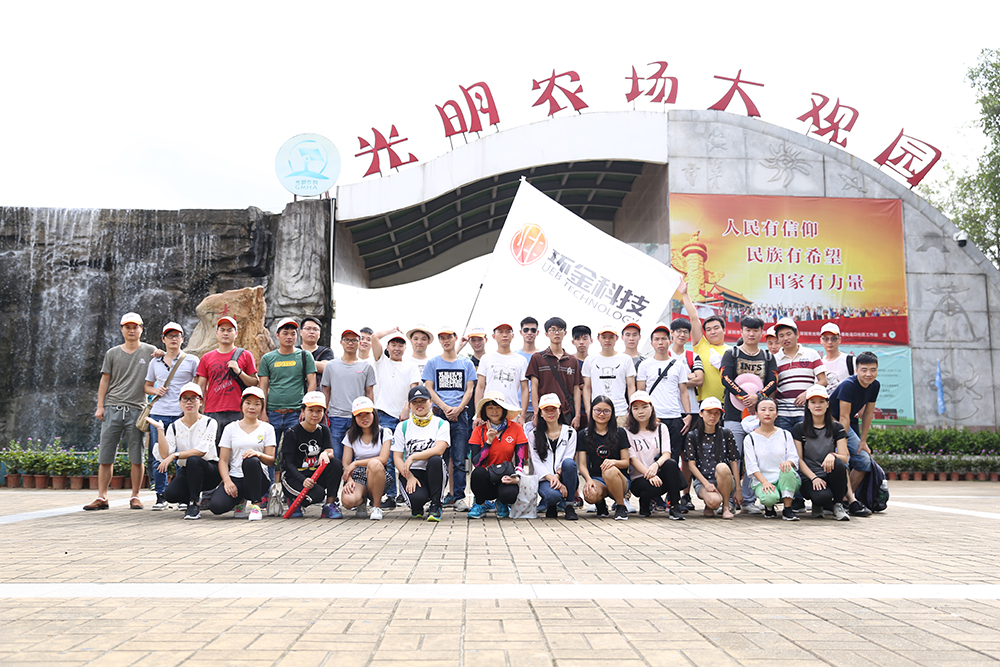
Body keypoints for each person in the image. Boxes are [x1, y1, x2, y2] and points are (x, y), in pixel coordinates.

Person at [85, 312, 159, 512]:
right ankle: (102, 496)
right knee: (105, 455)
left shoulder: (151, 351)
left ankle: (135, 496)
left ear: (141, 329)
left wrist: (162, 354)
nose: (131, 330)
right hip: (113, 408)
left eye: (135, 327)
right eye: (127, 327)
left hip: (137, 410)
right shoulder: (112, 353)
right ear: (122, 329)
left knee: (137, 456)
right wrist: (100, 406)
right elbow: (105, 380)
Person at [720, 316, 779, 515]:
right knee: (732, 456)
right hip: (734, 415)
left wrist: (758, 397)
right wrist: (745, 397)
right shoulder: (732, 353)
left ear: (761, 332)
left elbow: (773, 381)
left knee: (755, 457)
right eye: (747, 330)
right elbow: (725, 378)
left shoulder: (768, 357)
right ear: (742, 331)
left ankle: (748, 499)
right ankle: (728, 500)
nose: (751, 334)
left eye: (755, 330)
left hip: (759, 417)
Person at [143, 321, 199, 510]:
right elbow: (147, 386)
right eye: (170, 336)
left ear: (183, 339)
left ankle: (183, 495)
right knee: (158, 454)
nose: (174, 339)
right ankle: (160, 495)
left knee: (182, 455)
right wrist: (155, 390)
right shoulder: (155, 362)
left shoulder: (191, 360)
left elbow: (198, 385)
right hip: (159, 413)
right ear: (163, 339)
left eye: (177, 336)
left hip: (181, 414)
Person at [637, 324, 692, 509]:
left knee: (672, 459)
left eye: (664, 338)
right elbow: (640, 392)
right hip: (652, 419)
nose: (660, 342)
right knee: (652, 457)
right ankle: (654, 496)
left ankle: (672, 498)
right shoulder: (645, 365)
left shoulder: (678, 365)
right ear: (652, 343)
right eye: (657, 339)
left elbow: (683, 392)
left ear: (670, 340)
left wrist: (687, 414)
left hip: (674, 417)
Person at [423, 326, 476, 512]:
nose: (446, 341)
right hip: (438, 415)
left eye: (449, 337)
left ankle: (459, 497)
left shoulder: (466, 363)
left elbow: (470, 389)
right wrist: (445, 408)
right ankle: (436, 498)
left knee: (459, 460)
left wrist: (458, 409)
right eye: (442, 338)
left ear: (455, 338)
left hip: (460, 416)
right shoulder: (433, 363)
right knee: (439, 459)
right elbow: (429, 388)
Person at [147, 382, 219, 520]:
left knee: (194, 459)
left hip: (210, 470)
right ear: (180, 403)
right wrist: (160, 430)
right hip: (189, 471)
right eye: (185, 398)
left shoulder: (210, 422)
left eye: (193, 398)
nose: (189, 402)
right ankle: (192, 495)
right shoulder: (174, 426)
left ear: (200, 402)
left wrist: (175, 455)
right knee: (170, 495)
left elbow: (201, 451)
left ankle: (194, 504)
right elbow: (164, 455)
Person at [371, 327, 419, 507]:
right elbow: (374, 337)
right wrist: (392, 330)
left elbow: (414, 390)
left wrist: (406, 409)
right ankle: (391, 495)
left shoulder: (411, 366)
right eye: (393, 344)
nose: (397, 348)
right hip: (383, 416)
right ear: (388, 347)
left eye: (400, 345)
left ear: (405, 348)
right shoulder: (381, 361)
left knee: (407, 457)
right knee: (388, 458)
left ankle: (406, 493)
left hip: (404, 417)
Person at [210, 387, 276, 520]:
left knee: (250, 460)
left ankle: (256, 506)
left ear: (262, 407)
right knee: (216, 506)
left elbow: (270, 460)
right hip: (236, 477)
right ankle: (239, 501)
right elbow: (223, 460)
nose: (252, 407)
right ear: (241, 405)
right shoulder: (230, 428)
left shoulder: (267, 428)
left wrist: (258, 454)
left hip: (258, 479)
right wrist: (227, 481)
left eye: (257, 404)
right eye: (248, 403)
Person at [830, 351, 879, 517]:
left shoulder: (875, 385)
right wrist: (842, 444)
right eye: (864, 370)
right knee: (843, 461)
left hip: (848, 423)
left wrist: (863, 441)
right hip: (832, 422)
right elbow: (843, 417)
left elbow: (868, 413)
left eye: (873, 370)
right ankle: (847, 500)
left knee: (864, 461)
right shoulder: (849, 385)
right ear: (856, 370)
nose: (868, 374)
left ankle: (843, 498)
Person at [195, 316, 259, 444]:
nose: (225, 333)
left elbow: (254, 382)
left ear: (236, 333)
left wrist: (239, 372)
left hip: (238, 410)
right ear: (217, 333)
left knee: (237, 447)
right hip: (212, 410)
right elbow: (200, 386)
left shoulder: (245, 355)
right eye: (222, 330)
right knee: (213, 448)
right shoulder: (206, 358)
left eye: (229, 330)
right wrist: (199, 410)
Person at [280, 391, 344, 519]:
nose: (315, 414)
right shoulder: (292, 432)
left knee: (336, 464)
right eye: (311, 410)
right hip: (294, 477)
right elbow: (288, 464)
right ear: (303, 411)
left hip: (314, 475)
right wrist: (302, 480)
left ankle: (329, 505)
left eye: (319, 411)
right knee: (318, 495)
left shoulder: (323, 430)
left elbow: (330, 451)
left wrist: (325, 453)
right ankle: (292, 498)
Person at [791, 385, 851, 521]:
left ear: (827, 404)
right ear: (807, 405)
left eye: (821, 402)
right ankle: (817, 504)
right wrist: (814, 478)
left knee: (839, 464)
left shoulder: (837, 428)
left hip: (830, 474)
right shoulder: (799, 428)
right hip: (809, 477)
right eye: (813, 402)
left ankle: (838, 505)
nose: (817, 405)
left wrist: (832, 455)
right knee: (822, 497)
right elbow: (798, 459)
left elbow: (844, 457)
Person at [624, 391, 686, 520]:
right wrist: (649, 474)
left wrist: (655, 466)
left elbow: (667, 453)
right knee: (649, 489)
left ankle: (674, 506)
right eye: (636, 408)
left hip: (659, 472)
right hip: (639, 478)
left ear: (651, 408)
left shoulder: (661, 427)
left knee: (671, 464)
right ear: (630, 411)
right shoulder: (627, 432)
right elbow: (632, 459)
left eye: (644, 407)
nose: (641, 411)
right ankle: (645, 501)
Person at [466, 391, 528, 519]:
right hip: (486, 478)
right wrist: (488, 442)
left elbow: (521, 459)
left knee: (509, 494)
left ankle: (502, 503)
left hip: (506, 477)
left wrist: (517, 477)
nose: (494, 411)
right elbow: (476, 463)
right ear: (485, 410)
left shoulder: (516, 428)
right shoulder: (478, 431)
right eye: (490, 408)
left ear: (504, 409)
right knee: (478, 473)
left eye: (498, 407)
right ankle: (480, 504)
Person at [393, 386, 449, 522]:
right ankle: (418, 505)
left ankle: (436, 504)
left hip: (433, 472)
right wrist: (409, 476)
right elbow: (397, 458)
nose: (419, 405)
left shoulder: (441, 424)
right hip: (412, 472)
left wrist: (413, 456)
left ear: (430, 401)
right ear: (409, 405)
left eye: (423, 401)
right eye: (415, 402)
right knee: (417, 501)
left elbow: (439, 450)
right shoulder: (402, 426)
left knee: (435, 459)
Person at [259, 317, 317, 443]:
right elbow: (263, 386)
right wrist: (262, 412)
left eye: (293, 333)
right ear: (277, 335)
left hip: (296, 413)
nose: (289, 337)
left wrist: (305, 409)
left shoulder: (305, 355)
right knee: (269, 449)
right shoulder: (268, 358)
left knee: (293, 449)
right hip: (272, 412)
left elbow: (312, 383)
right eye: (285, 333)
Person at [320, 326, 375, 459]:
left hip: (358, 417)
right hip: (336, 417)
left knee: (358, 455)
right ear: (341, 342)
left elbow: (369, 393)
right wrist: (324, 413)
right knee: (336, 455)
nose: (350, 343)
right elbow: (326, 391)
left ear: (359, 343)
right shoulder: (331, 366)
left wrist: (371, 414)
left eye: (354, 340)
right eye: (347, 340)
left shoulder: (366, 366)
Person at [743, 397, 801, 521]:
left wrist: (788, 462)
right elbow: (751, 466)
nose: (767, 413)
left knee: (788, 470)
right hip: (762, 480)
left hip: (784, 478)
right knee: (769, 498)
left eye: (771, 410)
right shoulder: (750, 438)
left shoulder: (785, 434)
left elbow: (794, 457)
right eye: (763, 409)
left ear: (777, 414)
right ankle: (769, 507)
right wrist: (764, 482)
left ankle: (787, 509)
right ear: (756, 414)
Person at [684, 397, 740, 519]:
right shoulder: (692, 435)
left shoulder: (726, 433)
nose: (713, 416)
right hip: (703, 481)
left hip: (724, 478)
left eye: (716, 413)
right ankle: (710, 505)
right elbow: (691, 465)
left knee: (722, 467)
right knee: (713, 501)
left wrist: (738, 489)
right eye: (709, 412)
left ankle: (726, 506)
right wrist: (706, 483)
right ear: (701, 413)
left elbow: (733, 460)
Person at [577, 395, 630, 520]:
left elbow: (626, 462)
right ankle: (600, 504)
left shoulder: (620, 432)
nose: (601, 414)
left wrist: (613, 462)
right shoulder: (584, 434)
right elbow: (582, 465)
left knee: (609, 471)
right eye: (597, 410)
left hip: (619, 479)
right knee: (590, 495)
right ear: (592, 411)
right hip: (597, 479)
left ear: (612, 413)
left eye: (606, 411)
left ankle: (621, 506)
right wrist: (588, 480)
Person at [527, 394, 579, 520]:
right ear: (541, 413)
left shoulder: (570, 432)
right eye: (546, 410)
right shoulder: (534, 434)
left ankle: (569, 505)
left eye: (554, 409)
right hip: (545, 478)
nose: (550, 413)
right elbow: (536, 462)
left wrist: (557, 476)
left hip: (565, 475)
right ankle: (551, 505)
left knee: (569, 463)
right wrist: (552, 479)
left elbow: (568, 457)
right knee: (552, 496)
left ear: (560, 411)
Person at [526, 317, 583, 430]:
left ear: (565, 333)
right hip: (544, 411)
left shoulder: (572, 360)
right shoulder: (537, 358)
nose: (557, 333)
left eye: (560, 329)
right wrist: (536, 412)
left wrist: (577, 415)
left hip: (566, 412)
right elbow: (534, 387)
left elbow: (576, 389)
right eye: (552, 330)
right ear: (546, 334)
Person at [341, 396, 392, 520]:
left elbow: (383, 459)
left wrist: (355, 463)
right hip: (358, 475)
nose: (364, 418)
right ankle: (361, 501)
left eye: (367, 414)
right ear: (354, 418)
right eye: (359, 415)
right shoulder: (350, 435)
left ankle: (376, 506)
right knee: (348, 501)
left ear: (374, 413)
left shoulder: (384, 432)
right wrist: (349, 480)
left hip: (378, 473)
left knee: (374, 463)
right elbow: (346, 463)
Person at [774, 317, 827, 432]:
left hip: (806, 412)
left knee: (807, 442)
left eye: (789, 334)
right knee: (785, 443)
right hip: (783, 414)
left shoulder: (811, 354)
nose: (785, 338)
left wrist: (807, 393)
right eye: (781, 336)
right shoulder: (774, 359)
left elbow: (823, 381)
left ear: (797, 334)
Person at [474, 322, 529, 424]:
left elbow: (525, 389)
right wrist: (478, 414)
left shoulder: (521, 360)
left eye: (508, 332)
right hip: (489, 411)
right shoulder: (486, 358)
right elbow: (480, 387)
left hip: (512, 411)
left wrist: (523, 415)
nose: (504, 335)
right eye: (500, 332)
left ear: (512, 335)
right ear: (493, 336)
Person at [683, 281, 728, 403]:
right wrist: (685, 294)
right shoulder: (701, 345)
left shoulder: (732, 351)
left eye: (716, 328)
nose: (712, 332)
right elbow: (694, 317)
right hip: (703, 403)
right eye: (708, 329)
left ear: (724, 330)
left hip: (727, 403)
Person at [582, 324, 636, 425]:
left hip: (621, 411)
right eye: (604, 337)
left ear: (617, 338)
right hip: (598, 412)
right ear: (598, 338)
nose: (607, 340)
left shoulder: (626, 359)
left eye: (611, 337)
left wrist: (631, 409)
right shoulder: (590, 360)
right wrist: (588, 410)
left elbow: (631, 386)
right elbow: (587, 387)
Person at [518, 317, 540, 426]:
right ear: (521, 332)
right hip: (516, 406)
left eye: (533, 330)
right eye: (526, 330)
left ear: (537, 333)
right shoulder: (515, 356)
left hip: (538, 407)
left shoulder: (542, 356)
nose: (529, 333)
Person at [819, 323, 853, 393]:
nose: (829, 342)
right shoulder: (819, 364)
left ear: (839, 340)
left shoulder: (850, 361)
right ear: (821, 341)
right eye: (825, 339)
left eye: (833, 338)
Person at [299, 316, 334, 384]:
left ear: (319, 333)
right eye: (308, 329)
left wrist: (298, 362)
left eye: (315, 329)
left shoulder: (326, 351)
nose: (312, 332)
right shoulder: (294, 350)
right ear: (301, 332)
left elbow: (326, 368)